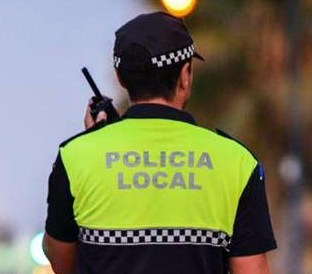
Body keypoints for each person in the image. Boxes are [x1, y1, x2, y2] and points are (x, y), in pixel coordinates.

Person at [43, 12, 277, 274]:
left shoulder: (75, 157)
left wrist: (97, 142)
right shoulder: (237, 163)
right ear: (185, 74)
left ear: (121, 78)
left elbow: (62, 261)